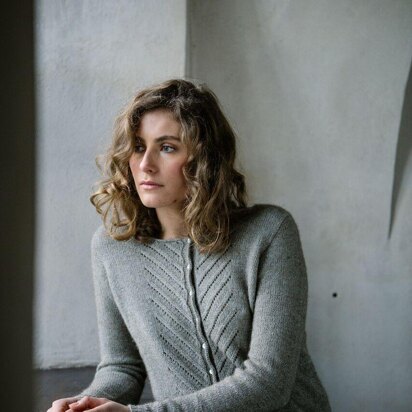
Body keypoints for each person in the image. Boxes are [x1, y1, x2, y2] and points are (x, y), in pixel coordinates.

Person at [48, 79, 331, 412]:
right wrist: (85, 405)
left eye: (167, 147)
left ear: (204, 159)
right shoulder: (112, 248)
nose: (145, 164)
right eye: (138, 146)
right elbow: (122, 367)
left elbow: (269, 382)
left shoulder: (268, 232)